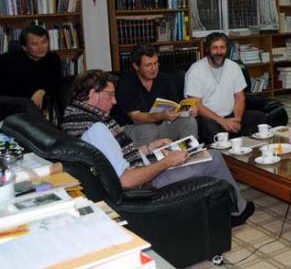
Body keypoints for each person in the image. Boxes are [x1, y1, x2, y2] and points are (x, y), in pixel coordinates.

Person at [60, 70, 254, 226]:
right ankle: (238, 211)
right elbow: (126, 180)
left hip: (135, 171)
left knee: (196, 153)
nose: (114, 101)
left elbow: (113, 159)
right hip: (144, 186)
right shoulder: (97, 129)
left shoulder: (74, 117)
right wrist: (166, 163)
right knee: (213, 158)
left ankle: (217, 209)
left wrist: (149, 147)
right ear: (93, 94)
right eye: (110, 95)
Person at [185, 32, 265, 142]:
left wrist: (237, 119)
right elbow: (197, 105)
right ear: (207, 49)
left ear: (227, 49)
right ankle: (234, 143)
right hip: (209, 119)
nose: (219, 52)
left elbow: (240, 97)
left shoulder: (234, 67)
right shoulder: (195, 71)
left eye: (222, 47)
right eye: (215, 48)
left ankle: (242, 145)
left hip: (231, 116)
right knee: (211, 128)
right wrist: (222, 121)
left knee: (260, 118)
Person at [114, 44, 198, 147]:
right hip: (136, 128)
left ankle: (188, 153)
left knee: (189, 121)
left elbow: (175, 107)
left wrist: (188, 110)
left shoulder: (164, 79)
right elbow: (136, 117)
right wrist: (161, 115)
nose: (154, 68)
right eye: (148, 65)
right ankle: (151, 157)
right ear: (136, 66)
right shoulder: (127, 84)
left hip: (163, 124)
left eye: (155, 63)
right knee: (148, 129)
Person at [0, 25, 61, 110]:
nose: (41, 47)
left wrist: (42, 90)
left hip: (36, 109)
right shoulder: (9, 59)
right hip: (12, 106)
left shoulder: (53, 59)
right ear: (24, 47)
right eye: (35, 44)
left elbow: (55, 80)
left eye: (44, 42)